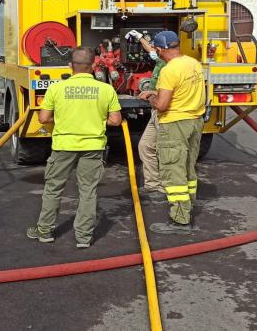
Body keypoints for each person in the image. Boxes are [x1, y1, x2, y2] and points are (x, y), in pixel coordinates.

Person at [27, 48, 122, 248]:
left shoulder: (56, 88)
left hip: (63, 146)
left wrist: (62, 118)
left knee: (53, 189)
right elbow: (115, 120)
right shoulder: (106, 89)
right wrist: (94, 120)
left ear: (70, 65)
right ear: (94, 65)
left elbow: (43, 118)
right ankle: (84, 238)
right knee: (88, 191)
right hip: (93, 146)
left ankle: (44, 231)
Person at [149, 31, 206, 229]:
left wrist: (149, 97)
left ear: (159, 49)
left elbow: (162, 105)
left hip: (174, 124)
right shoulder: (193, 63)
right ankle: (189, 206)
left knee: (173, 170)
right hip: (195, 121)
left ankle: (180, 218)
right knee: (188, 166)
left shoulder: (169, 70)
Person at [125, 30, 167, 199]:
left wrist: (151, 93)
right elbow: (150, 50)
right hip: (156, 110)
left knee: (165, 149)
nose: (153, 50)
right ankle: (152, 184)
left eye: (156, 48)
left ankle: (167, 185)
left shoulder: (169, 67)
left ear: (162, 50)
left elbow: (166, 94)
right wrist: (139, 37)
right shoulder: (160, 60)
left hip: (166, 111)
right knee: (145, 146)